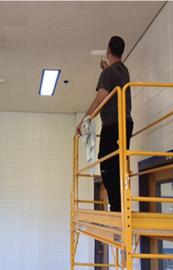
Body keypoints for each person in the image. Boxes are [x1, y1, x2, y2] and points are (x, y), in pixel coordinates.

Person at [76, 36, 134, 212]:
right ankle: (120, 206)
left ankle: (117, 208)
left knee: (108, 165)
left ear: (108, 50)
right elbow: (113, 81)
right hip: (126, 123)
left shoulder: (108, 73)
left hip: (113, 124)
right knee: (117, 164)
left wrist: (85, 120)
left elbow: (100, 98)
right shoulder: (123, 70)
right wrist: (106, 68)